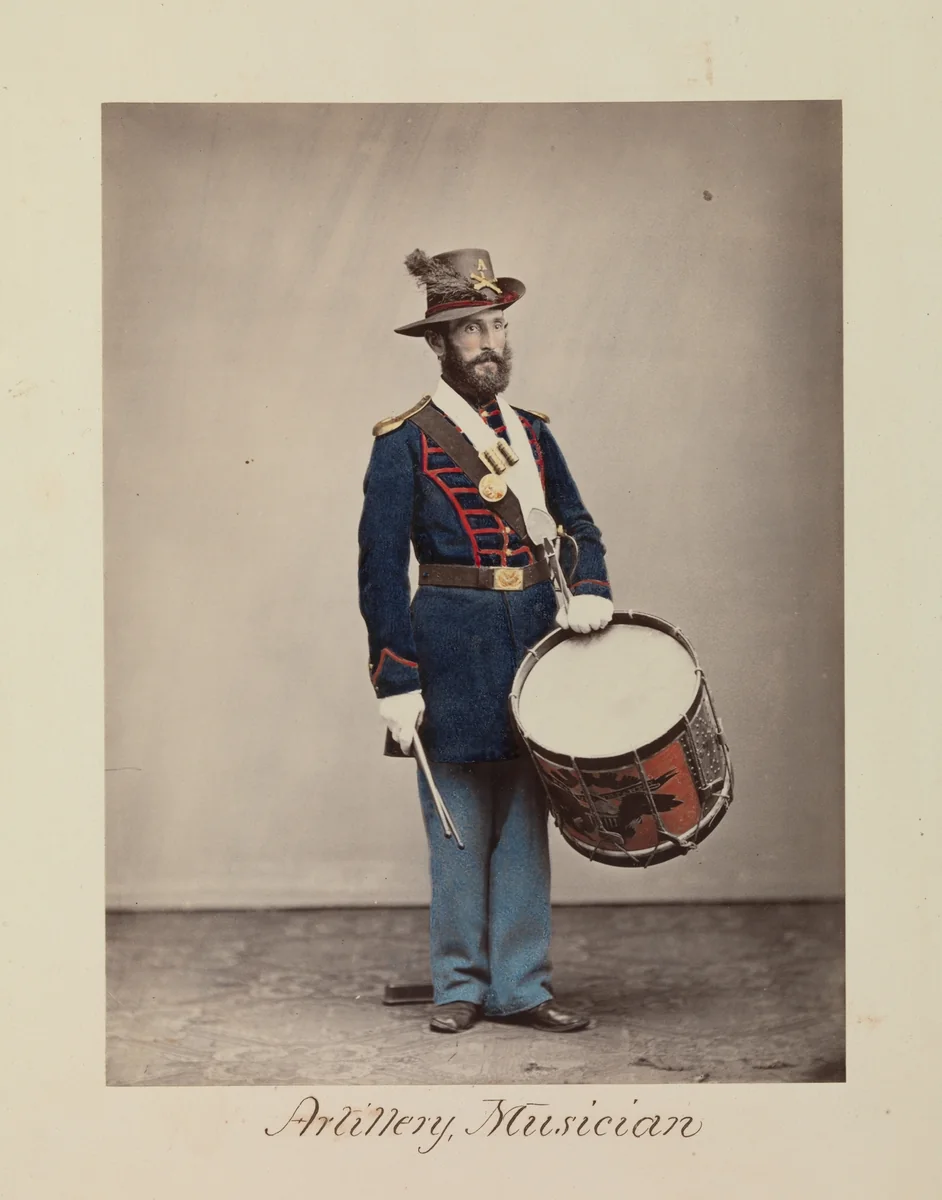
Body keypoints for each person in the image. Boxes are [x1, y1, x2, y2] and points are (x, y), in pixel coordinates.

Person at [357, 248, 614, 1034]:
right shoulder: (404, 441)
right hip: (451, 645)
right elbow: (379, 569)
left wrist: (590, 590)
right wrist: (395, 678)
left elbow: (578, 527)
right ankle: (460, 985)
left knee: (528, 820)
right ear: (438, 344)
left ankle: (521, 986)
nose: (491, 343)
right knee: (459, 825)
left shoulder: (533, 435)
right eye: (472, 330)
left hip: (535, 641)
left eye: (498, 325)